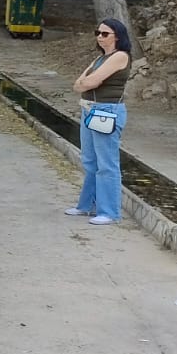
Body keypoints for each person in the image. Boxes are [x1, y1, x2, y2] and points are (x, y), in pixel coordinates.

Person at [67, 18, 132, 226]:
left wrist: (85, 82)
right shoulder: (100, 59)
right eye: (98, 33)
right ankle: (87, 205)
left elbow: (90, 81)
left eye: (105, 33)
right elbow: (78, 84)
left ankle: (110, 211)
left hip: (106, 110)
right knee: (90, 161)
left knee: (107, 163)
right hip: (89, 109)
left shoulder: (120, 56)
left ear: (117, 36)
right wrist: (84, 83)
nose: (100, 37)